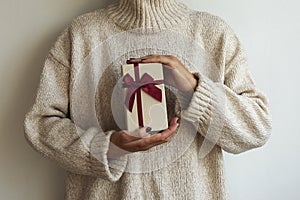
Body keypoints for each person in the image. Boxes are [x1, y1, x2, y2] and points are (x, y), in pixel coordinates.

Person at [23, 0, 272, 199]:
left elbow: (256, 129)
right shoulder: (79, 36)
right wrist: (108, 147)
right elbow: (40, 125)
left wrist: (194, 90)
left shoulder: (215, 35)